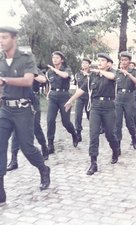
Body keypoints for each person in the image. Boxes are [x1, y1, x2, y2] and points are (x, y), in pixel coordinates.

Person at [0, 26, 50, 204]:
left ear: (14, 39)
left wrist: (5, 80)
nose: (1, 41)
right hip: (4, 109)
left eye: (4, 37)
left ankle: (43, 169)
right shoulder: (0, 60)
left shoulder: (26, 58)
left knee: (27, 148)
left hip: (23, 110)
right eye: (0, 38)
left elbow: (29, 80)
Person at [65, 53, 120, 175]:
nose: (99, 62)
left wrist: (99, 71)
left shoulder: (113, 73)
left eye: (102, 60)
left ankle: (115, 149)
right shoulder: (92, 76)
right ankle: (93, 162)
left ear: (109, 64)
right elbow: (81, 89)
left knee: (110, 134)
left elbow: (112, 76)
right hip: (95, 107)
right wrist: (71, 100)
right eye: (98, 60)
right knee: (93, 134)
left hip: (108, 107)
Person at [7, 68, 49, 171]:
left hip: (31, 100)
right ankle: (14, 160)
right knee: (15, 131)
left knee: (35, 127)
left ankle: (44, 146)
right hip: (16, 101)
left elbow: (43, 80)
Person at [46, 51, 78, 154]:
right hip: (53, 97)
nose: (54, 59)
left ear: (62, 60)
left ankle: (74, 134)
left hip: (64, 97)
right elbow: (50, 84)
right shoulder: (49, 72)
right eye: (53, 57)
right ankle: (50, 144)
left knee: (66, 122)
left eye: (57, 58)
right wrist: (48, 93)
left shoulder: (66, 69)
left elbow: (65, 76)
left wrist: (54, 69)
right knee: (50, 120)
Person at [115, 51, 136, 150]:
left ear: (129, 61)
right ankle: (118, 146)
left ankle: (134, 137)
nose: (123, 62)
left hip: (129, 97)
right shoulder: (117, 72)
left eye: (125, 60)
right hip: (119, 98)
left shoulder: (134, 71)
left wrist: (128, 74)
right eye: (122, 60)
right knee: (117, 123)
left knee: (130, 122)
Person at [74, 58, 91, 142]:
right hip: (80, 97)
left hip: (89, 96)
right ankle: (78, 132)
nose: (84, 65)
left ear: (89, 65)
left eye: (86, 63)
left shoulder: (92, 74)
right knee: (78, 115)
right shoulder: (78, 74)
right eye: (83, 63)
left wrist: (88, 75)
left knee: (89, 115)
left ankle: (97, 128)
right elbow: (77, 86)